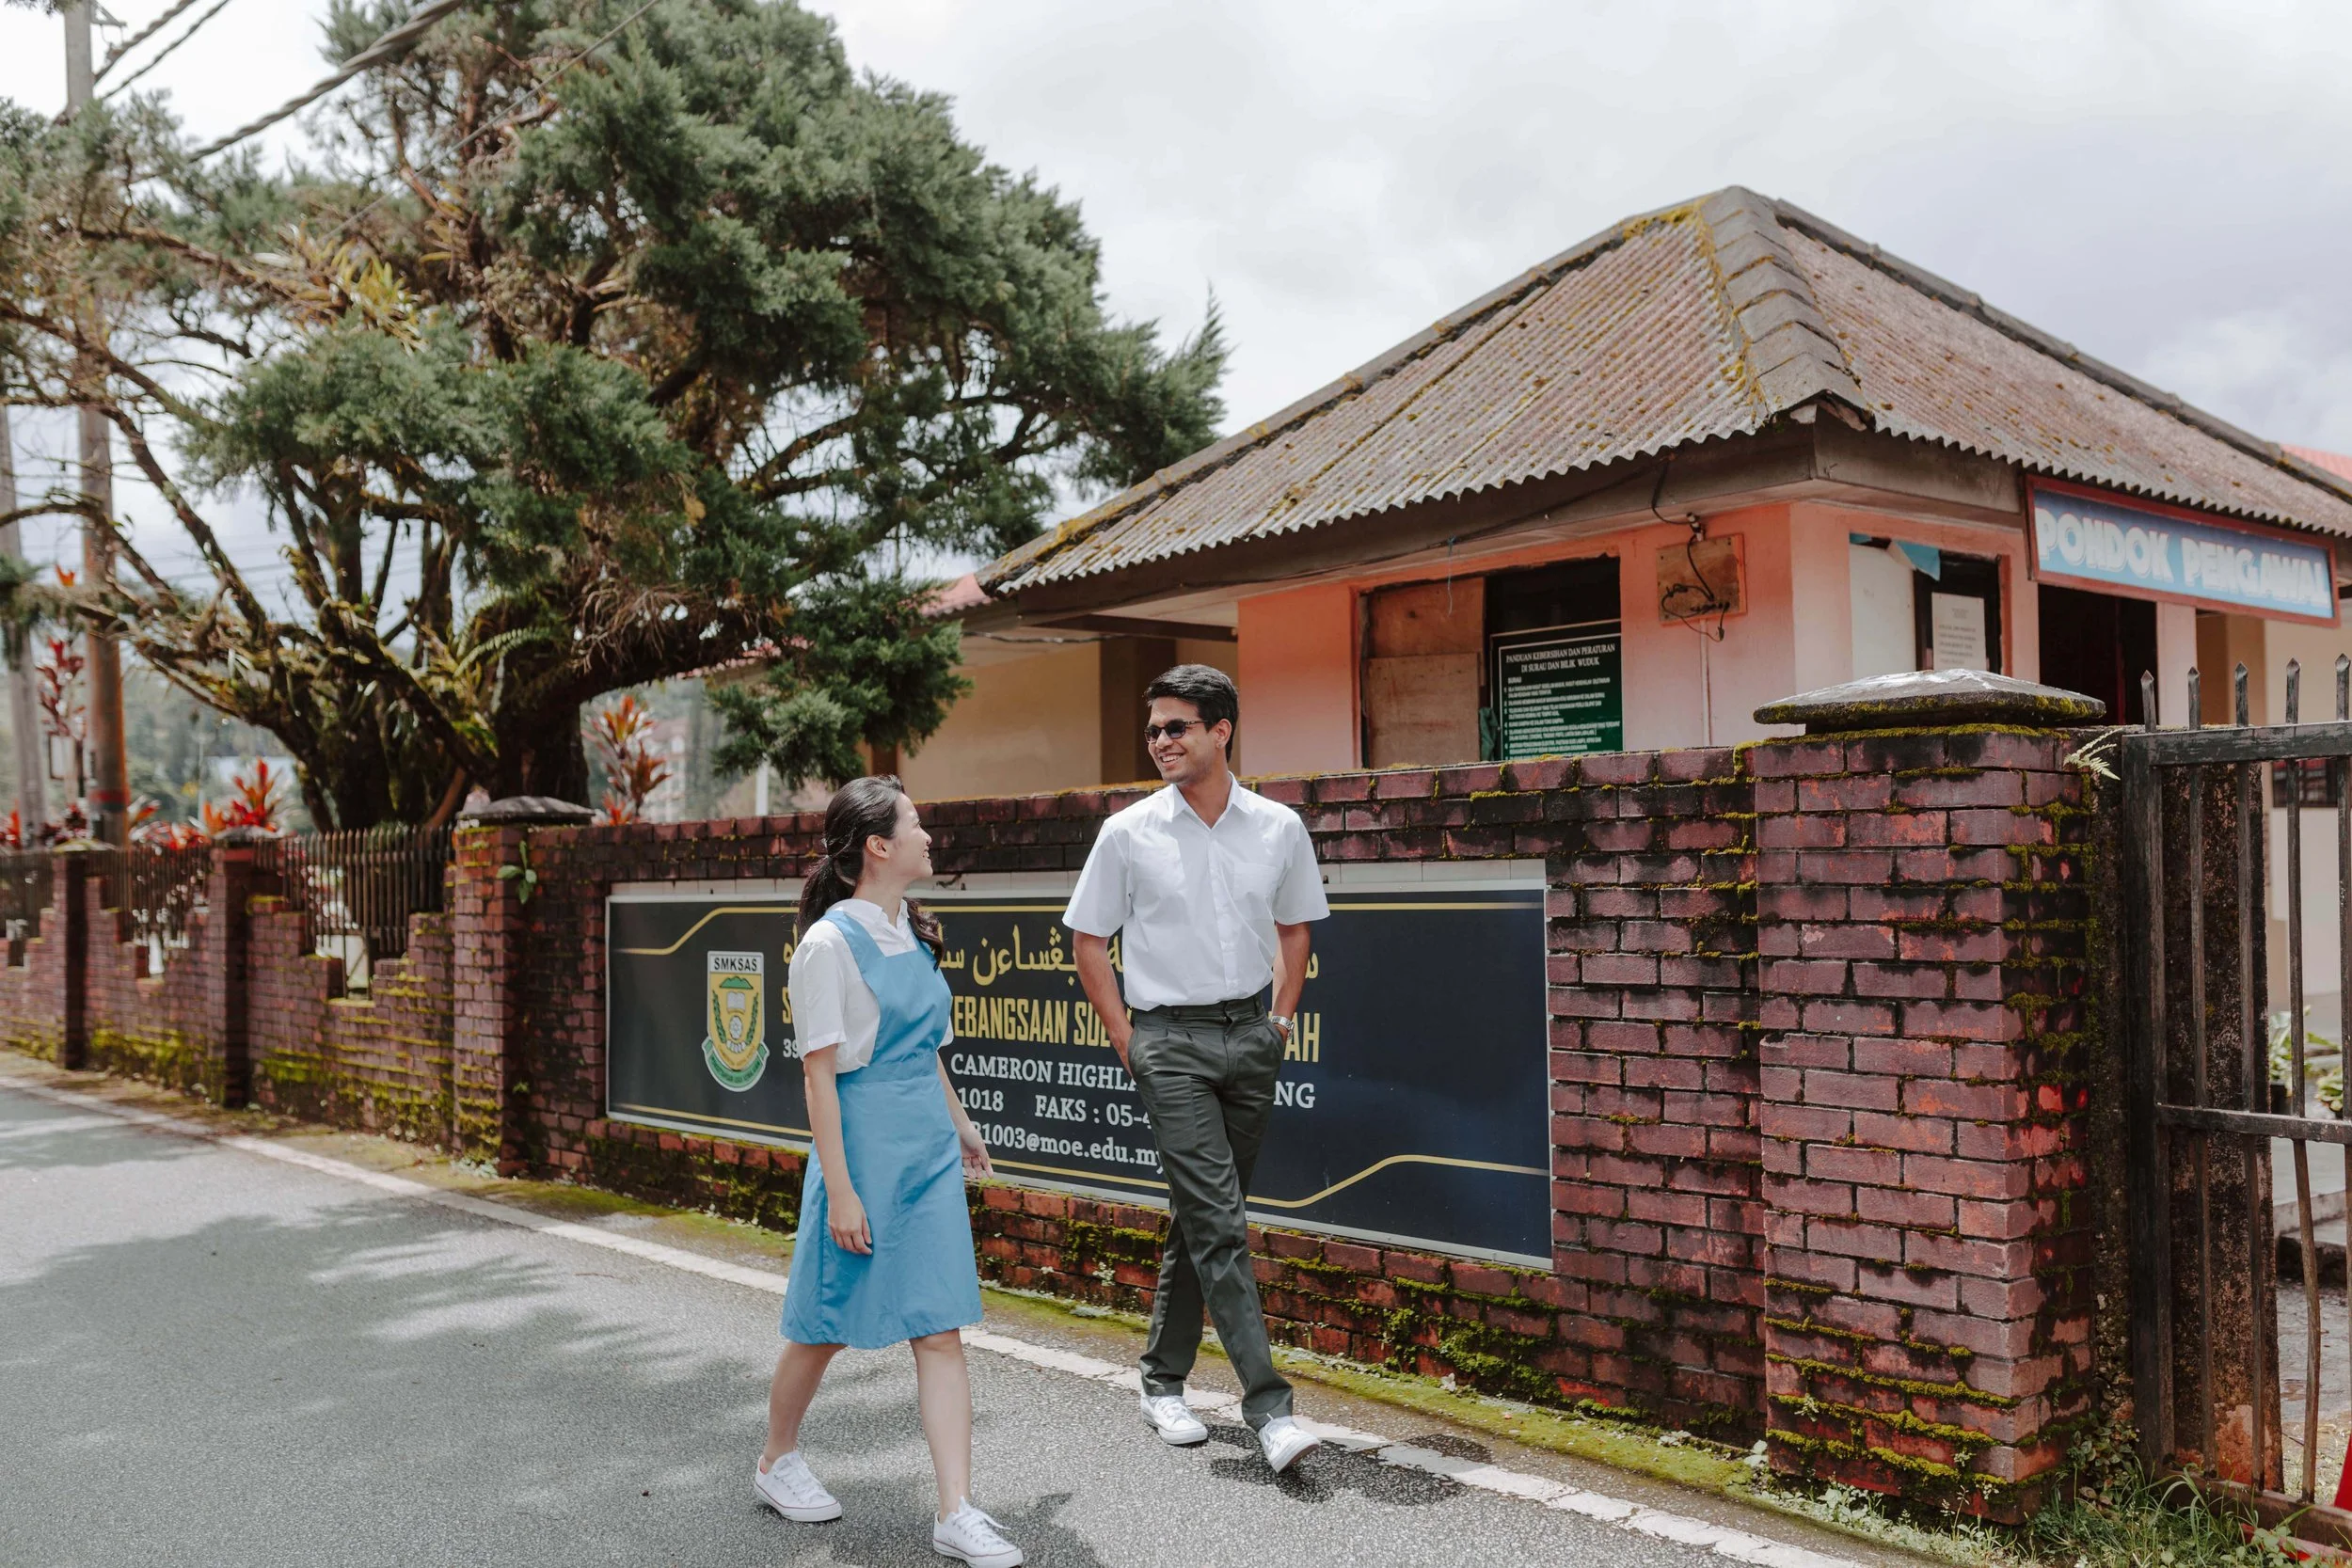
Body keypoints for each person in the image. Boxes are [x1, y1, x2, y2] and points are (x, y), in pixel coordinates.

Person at [1064, 664, 1331, 1474]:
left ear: (1222, 730)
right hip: (1169, 1043)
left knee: (1202, 1214)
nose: (1160, 741)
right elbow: (1087, 939)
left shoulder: (1279, 828)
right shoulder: (1128, 831)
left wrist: (1279, 1021)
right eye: (1153, 729)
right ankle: (1270, 1408)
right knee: (1219, 1218)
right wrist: (1128, 1038)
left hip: (1250, 1034)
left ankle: (1160, 1379)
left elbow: (1296, 927)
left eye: (1176, 726)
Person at [754, 776, 1024, 1568]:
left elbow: (924, 1050)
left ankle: (956, 1510)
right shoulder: (827, 946)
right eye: (914, 824)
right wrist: (840, 1187)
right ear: (878, 845)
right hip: (862, 1146)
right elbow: (819, 1076)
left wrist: (963, 1123)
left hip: (927, 1148)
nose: (928, 836)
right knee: (827, 1321)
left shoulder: (910, 925)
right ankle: (776, 1458)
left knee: (939, 1327)